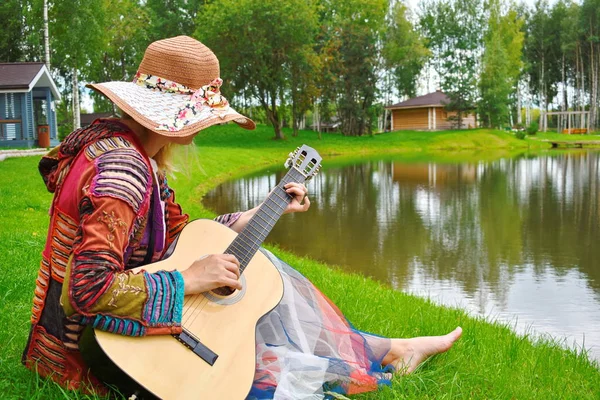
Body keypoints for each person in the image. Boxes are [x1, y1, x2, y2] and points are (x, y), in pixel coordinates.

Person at [22, 36, 462, 399]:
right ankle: (389, 353)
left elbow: (181, 233)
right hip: (93, 350)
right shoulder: (125, 172)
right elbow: (87, 289)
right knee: (252, 367)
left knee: (252, 309)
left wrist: (261, 211)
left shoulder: (126, 152)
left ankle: (391, 349)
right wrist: (187, 280)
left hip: (87, 336)